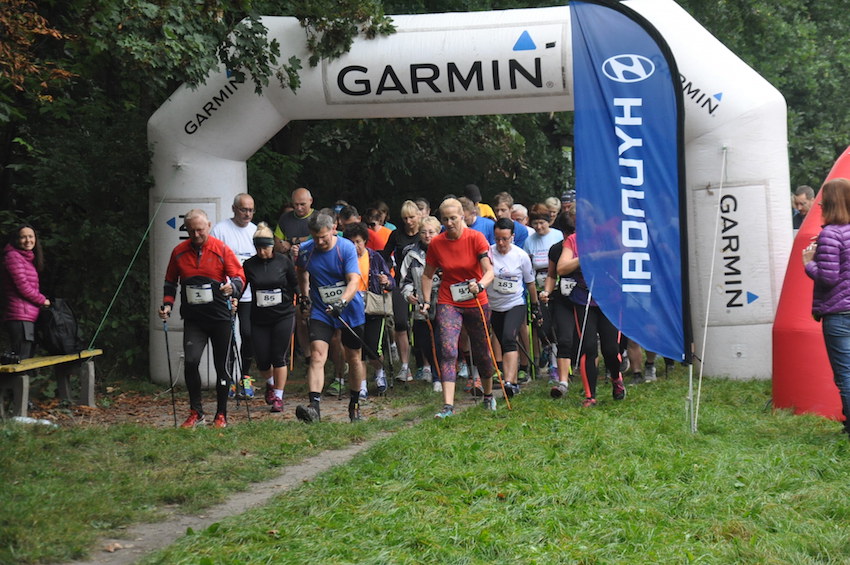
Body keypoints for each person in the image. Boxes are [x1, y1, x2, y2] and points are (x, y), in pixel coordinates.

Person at [159, 209, 245, 428]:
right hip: (194, 319)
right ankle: (196, 413)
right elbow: (170, 282)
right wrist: (167, 305)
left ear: (208, 226)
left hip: (220, 318)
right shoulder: (179, 252)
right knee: (191, 362)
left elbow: (239, 276)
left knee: (222, 366)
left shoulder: (221, 249)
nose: (196, 235)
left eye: (200, 230)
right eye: (191, 231)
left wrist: (232, 288)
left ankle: (221, 414)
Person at [421, 198, 496, 418]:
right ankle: (448, 406)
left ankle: (488, 395)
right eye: (445, 219)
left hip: (476, 300)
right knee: (448, 349)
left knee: (482, 352)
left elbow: (489, 271)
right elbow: (427, 275)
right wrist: (426, 300)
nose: (449, 223)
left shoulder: (476, 238)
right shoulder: (437, 243)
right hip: (449, 300)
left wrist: (480, 285)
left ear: (462, 216)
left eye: (453, 218)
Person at [295, 211, 367, 423]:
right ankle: (314, 408)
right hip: (321, 310)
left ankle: (354, 405)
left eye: (323, 237)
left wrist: (341, 302)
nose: (319, 242)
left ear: (334, 229)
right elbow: (301, 271)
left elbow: (354, 280)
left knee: (353, 357)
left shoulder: (346, 248)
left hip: (349, 309)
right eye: (315, 237)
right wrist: (304, 296)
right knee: (317, 355)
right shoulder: (306, 250)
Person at [803, 178, 850, 434]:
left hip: (839, 314)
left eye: (823, 200)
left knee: (845, 374)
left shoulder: (831, 234)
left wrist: (809, 262)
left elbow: (829, 278)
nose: (819, 204)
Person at [560, 227, 625, 406]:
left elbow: (624, 252)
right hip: (584, 300)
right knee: (588, 347)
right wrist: (584, 259)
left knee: (611, 349)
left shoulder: (610, 233)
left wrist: (602, 255)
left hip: (610, 300)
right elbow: (562, 268)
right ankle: (590, 396)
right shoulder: (573, 240)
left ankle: (616, 377)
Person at [242, 223, 297, 413]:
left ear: (272, 246)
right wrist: (234, 297)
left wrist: (301, 298)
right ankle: (271, 383)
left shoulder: (283, 261)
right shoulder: (249, 265)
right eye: (258, 248)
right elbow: (242, 286)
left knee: (278, 357)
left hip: (283, 315)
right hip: (259, 318)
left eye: (265, 247)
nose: (262, 252)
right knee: (263, 361)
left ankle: (278, 397)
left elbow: (294, 283)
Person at [487, 218, 539, 397]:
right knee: (504, 341)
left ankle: (508, 382)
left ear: (512, 237)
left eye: (505, 239)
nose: (501, 243)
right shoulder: (488, 253)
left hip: (515, 303)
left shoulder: (520, 255)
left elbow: (530, 283)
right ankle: (514, 382)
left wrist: (535, 306)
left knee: (509, 337)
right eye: (497, 239)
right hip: (495, 306)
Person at [210, 193, 257, 382]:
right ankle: (228, 378)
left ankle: (245, 376)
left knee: (248, 334)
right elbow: (213, 261)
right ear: (234, 209)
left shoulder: (255, 231)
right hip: (226, 293)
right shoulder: (220, 230)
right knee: (227, 336)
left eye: (251, 210)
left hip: (248, 294)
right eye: (244, 210)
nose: (247, 214)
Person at [343, 222, 394, 398]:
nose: (355, 246)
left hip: (373, 306)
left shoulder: (375, 257)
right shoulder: (343, 259)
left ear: (365, 240)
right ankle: (361, 384)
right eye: (351, 242)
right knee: (357, 349)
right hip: (352, 307)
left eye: (358, 241)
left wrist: (386, 281)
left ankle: (379, 372)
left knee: (373, 348)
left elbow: (391, 281)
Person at [400, 216, 443, 392]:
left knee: (441, 341)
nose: (427, 235)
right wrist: (408, 294)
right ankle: (434, 372)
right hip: (421, 306)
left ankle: (440, 376)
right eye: (424, 232)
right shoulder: (411, 254)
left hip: (443, 303)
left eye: (431, 232)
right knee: (425, 342)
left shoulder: (446, 250)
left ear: (438, 232)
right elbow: (405, 280)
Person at [381, 200, 421, 382]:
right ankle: (405, 366)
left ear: (418, 216)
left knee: (422, 324)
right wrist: (386, 273)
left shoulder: (424, 233)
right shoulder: (396, 234)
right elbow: (385, 256)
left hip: (422, 281)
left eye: (411, 217)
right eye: (405, 218)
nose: (409, 221)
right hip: (401, 282)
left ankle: (425, 365)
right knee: (400, 323)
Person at [2, 225, 51, 361]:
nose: (28, 240)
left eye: (31, 236)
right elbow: (23, 287)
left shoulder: (26, 259)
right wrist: (43, 300)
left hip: (28, 316)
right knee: (20, 360)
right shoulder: (13, 257)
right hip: (19, 315)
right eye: (23, 237)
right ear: (16, 240)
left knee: (26, 359)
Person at [274, 187, 315, 255]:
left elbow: (322, 239)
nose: (299, 208)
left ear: (311, 201)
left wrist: (292, 242)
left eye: (302, 204)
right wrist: (282, 247)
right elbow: (276, 244)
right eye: (296, 204)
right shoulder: (285, 218)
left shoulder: (319, 218)